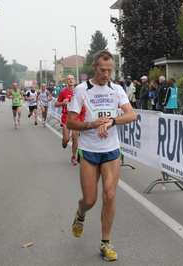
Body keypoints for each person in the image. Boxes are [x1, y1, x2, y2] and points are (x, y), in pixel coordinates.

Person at [66, 50, 137, 261]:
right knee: (90, 200)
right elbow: (70, 122)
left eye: (110, 70)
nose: (106, 74)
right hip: (89, 151)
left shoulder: (116, 89)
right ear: (94, 67)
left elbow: (131, 114)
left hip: (111, 150)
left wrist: (112, 121)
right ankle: (81, 213)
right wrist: (91, 124)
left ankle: (105, 243)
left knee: (110, 195)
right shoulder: (82, 90)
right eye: (103, 69)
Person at [55, 75, 79, 165]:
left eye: (72, 79)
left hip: (77, 117)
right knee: (66, 139)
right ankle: (64, 142)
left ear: (74, 80)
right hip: (66, 117)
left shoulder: (78, 91)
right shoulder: (63, 92)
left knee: (75, 136)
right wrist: (62, 102)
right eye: (69, 79)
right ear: (66, 81)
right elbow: (56, 104)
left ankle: (73, 156)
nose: (71, 80)